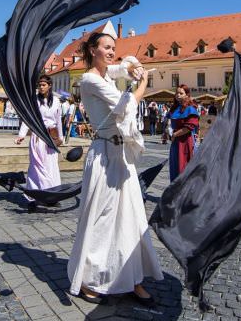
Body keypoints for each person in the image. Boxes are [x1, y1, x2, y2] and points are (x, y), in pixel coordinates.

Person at [67, 32, 162, 306]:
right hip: (104, 156)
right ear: (92, 50)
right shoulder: (89, 80)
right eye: (107, 47)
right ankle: (90, 279)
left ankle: (132, 277)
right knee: (102, 219)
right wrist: (143, 81)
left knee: (132, 217)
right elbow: (126, 105)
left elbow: (121, 67)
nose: (111, 52)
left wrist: (133, 66)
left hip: (122, 157)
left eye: (114, 48)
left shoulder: (106, 74)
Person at [15, 75, 63, 210]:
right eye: (39, 85)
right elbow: (27, 119)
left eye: (43, 85)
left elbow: (59, 120)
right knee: (37, 167)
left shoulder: (57, 101)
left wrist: (60, 137)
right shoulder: (34, 101)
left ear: (49, 86)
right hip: (38, 137)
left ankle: (53, 196)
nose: (41, 87)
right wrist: (21, 135)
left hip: (51, 137)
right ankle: (34, 196)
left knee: (51, 166)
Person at [168, 84, 200, 181]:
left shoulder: (190, 109)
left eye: (181, 93)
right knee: (175, 166)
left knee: (184, 167)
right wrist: (168, 131)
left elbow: (189, 127)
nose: (178, 95)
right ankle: (175, 192)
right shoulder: (174, 109)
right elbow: (170, 121)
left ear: (187, 95)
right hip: (175, 144)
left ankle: (184, 194)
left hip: (186, 142)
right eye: (177, 93)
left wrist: (175, 134)